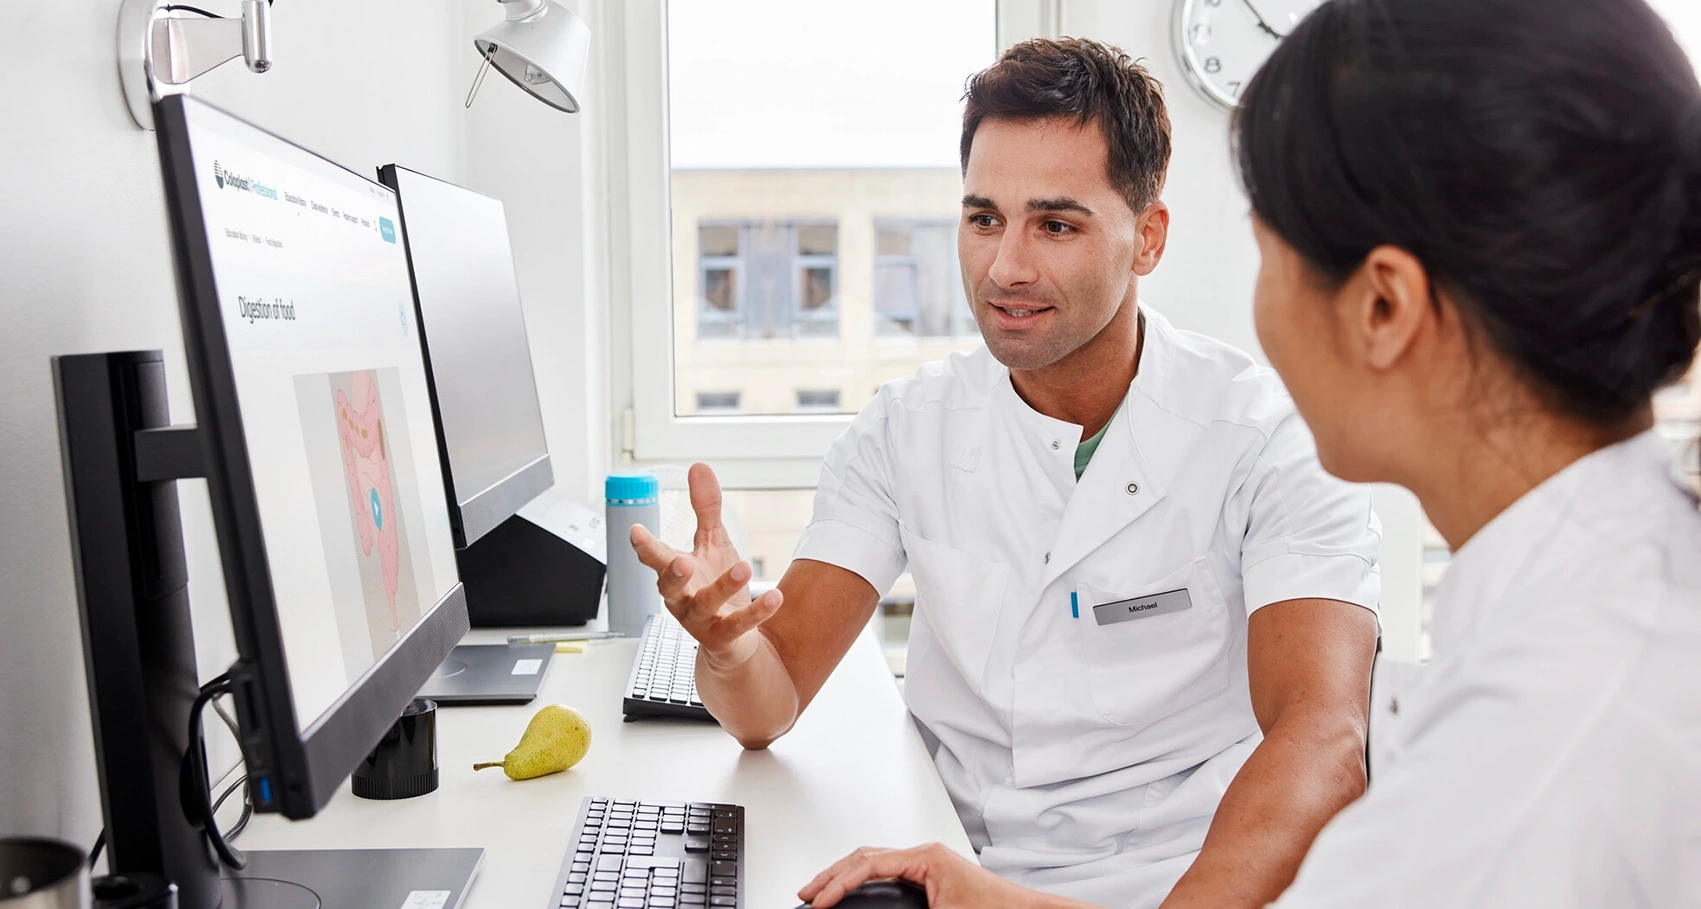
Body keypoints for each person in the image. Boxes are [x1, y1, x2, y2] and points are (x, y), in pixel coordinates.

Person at [797, 0, 1701, 906]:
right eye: (985, 220)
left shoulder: (1548, 728)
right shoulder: (1598, 607)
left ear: (1382, 306)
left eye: (1269, 250)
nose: (1007, 266)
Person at [632, 38, 1384, 909]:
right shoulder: (903, 429)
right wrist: (727, 647)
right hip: (952, 866)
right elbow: (768, 704)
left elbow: (1324, 738)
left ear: (1147, 238)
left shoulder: (1268, 437)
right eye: (984, 218)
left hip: (1188, 881)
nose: (1005, 268)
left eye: (1055, 225)